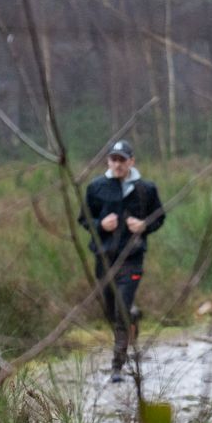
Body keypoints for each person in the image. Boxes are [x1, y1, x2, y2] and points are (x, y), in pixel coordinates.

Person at [81, 139, 165, 381]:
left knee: (120, 311)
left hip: (132, 258)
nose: (117, 164)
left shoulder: (145, 189)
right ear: (108, 161)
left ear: (131, 161)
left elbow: (159, 216)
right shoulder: (96, 187)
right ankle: (133, 316)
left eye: (122, 159)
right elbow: (84, 218)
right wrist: (99, 224)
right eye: (113, 159)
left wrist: (144, 225)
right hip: (104, 258)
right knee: (111, 310)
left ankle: (117, 366)